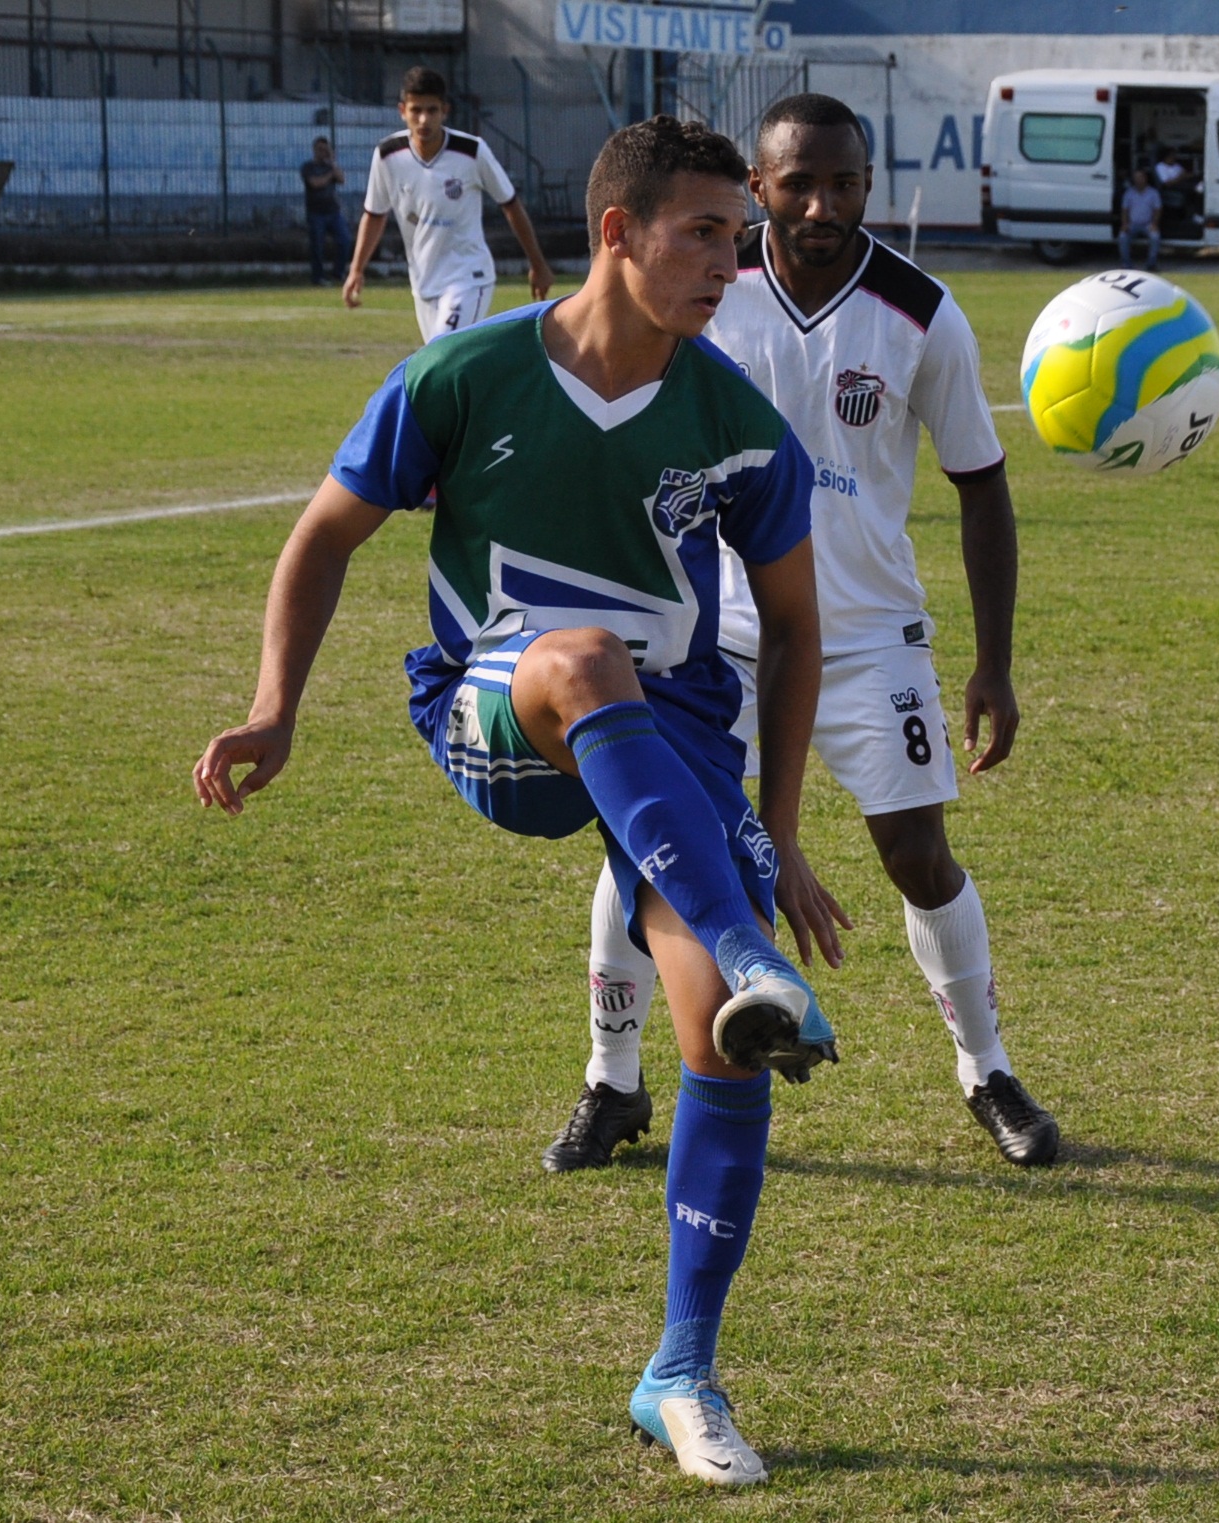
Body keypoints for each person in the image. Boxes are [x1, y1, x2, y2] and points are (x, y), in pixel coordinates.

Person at [195, 115, 844, 1489]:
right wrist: (275, 704)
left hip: (662, 746)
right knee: (580, 658)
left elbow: (792, 626)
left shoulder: (733, 420)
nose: (732, 261)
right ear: (616, 232)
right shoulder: (461, 375)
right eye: (704, 233)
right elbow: (322, 533)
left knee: (723, 1047)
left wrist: (777, 825)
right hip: (495, 713)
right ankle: (739, 941)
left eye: (739, 236)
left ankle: (677, 1367)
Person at [542, 92, 1061, 1176]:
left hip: (870, 635)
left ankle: (988, 1069)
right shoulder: (704, 294)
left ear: (869, 186)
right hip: (709, 635)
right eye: (797, 184)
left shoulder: (922, 313)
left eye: (845, 183)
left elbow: (981, 485)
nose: (823, 204)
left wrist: (995, 662)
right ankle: (612, 1078)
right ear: (758, 190)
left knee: (919, 856)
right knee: (649, 851)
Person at [342, 66, 555, 341]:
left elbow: (510, 204)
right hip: (423, 282)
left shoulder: (471, 151)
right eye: (416, 110)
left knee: (440, 354)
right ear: (402, 111)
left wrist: (538, 264)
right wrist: (356, 270)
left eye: (431, 110)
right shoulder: (387, 155)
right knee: (446, 370)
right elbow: (374, 214)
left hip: (469, 276)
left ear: (445, 110)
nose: (423, 120)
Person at [300, 136, 350, 287]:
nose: (323, 153)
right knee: (317, 246)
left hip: (333, 211)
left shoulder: (331, 167)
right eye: (320, 150)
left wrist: (332, 163)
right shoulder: (308, 167)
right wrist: (330, 175)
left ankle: (338, 272)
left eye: (325, 150)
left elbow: (342, 180)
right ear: (315, 150)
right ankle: (318, 277)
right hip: (316, 213)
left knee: (345, 240)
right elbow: (315, 183)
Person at [1120, 167, 1162, 271]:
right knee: (1122, 237)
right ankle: (1126, 264)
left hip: (1148, 224)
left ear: (1145, 178)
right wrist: (1125, 224)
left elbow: (1158, 210)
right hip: (1132, 224)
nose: (1138, 180)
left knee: (1155, 237)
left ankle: (1151, 265)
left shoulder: (1153, 193)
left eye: (1140, 177)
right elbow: (1124, 210)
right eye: (1136, 178)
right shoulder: (1129, 193)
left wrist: (1154, 224)